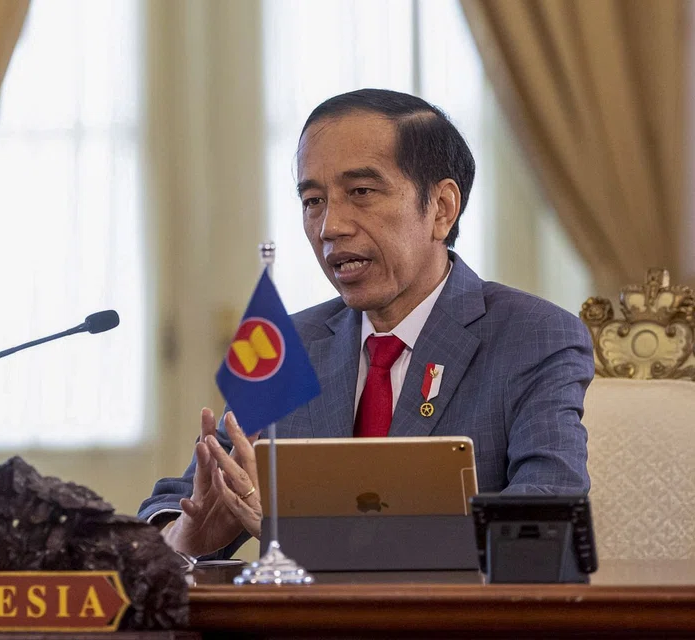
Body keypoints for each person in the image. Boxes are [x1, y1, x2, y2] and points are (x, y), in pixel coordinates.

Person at [137, 88, 594, 560]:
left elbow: (544, 523)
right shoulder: (289, 344)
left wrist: (318, 540)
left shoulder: (534, 337)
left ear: (441, 207)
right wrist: (185, 537)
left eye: (361, 193)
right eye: (313, 200)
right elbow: (183, 500)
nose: (330, 226)